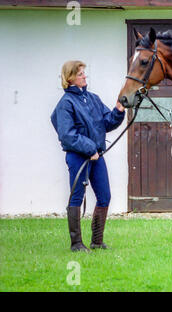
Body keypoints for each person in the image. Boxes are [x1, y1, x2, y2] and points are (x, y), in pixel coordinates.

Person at [51, 60, 125, 252]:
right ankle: (76, 244)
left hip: (96, 156)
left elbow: (106, 123)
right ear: (70, 78)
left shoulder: (93, 98)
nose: (85, 76)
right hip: (78, 158)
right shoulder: (66, 103)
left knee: (104, 197)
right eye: (80, 73)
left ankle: (97, 242)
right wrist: (90, 148)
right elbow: (67, 135)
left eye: (84, 73)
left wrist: (118, 111)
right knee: (76, 197)